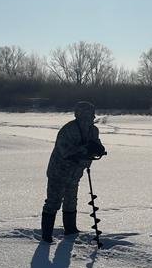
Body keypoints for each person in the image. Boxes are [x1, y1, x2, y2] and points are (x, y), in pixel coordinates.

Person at [41, 102, 107, 243]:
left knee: (71, 201)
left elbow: (96, 143)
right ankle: (46, 236)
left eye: (91, 115)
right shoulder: (68, 130)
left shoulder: (93, 130)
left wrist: (99, 148)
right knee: (53, 202)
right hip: (59, 172)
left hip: (75, 174)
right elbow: (65, 152)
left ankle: (70, 230)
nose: (90, 118)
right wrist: (84, 150)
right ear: (79, 115)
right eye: (87, 115)